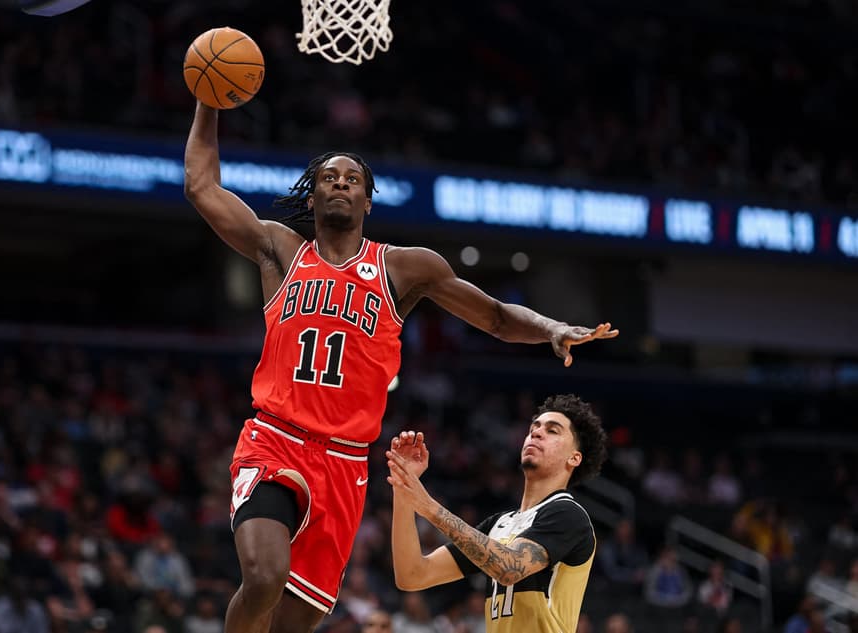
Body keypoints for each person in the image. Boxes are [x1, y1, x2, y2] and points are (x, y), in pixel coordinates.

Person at [184, 101, 618, 633]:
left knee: (296, 621)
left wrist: (551, 328)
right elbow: (202, 188)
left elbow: (496, 317)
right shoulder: (281, 250)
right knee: (264, 577)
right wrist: (208, 102)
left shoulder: (403, 268)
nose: (340, 184)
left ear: (367, 201)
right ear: (313, 195)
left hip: (345, 462)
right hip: (277, 438)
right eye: (328, 177)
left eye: (352, 179)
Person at [385, 394, 607, 633]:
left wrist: (429, 507)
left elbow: (509, 568)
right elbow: (412, 575)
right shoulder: (499, 523)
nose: (537, 433)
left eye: (552, 430)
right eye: (533, 428)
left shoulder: (568, 514)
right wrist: (403, 485)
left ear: (574, 458)